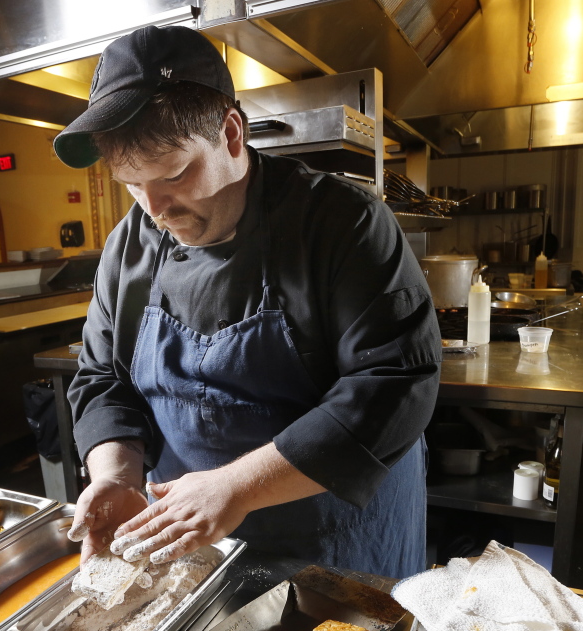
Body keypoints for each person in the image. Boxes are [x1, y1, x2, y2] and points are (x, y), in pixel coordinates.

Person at [54, 25, 442, 580]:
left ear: (231, 133)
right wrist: (115, 474)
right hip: (190, 542)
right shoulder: (128, 245)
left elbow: (395, 384)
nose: (154, 208)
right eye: (131, 185)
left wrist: (236, 487)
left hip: (334, 541)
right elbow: (101, 377)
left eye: (174, 174)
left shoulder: (340, 222)